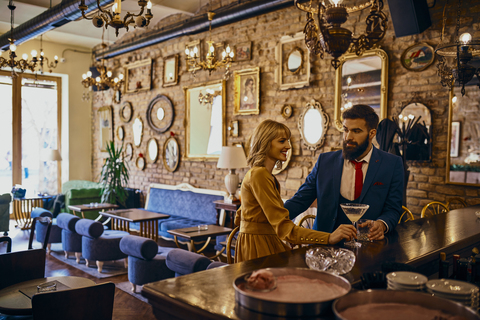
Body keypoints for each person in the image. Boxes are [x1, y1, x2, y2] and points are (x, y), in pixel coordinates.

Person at [234, 120, 357, 263]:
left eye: (287, 141)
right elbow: (283, 227)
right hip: (258, 246)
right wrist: (329, 237)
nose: (288, 146)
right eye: (282, 141)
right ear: (266, 143)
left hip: (262, 240)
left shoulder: (262, 175)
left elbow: (241, 215)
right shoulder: (259, 175)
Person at [285, 104, 404, 241]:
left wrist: (382, 224)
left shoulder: (391, 164)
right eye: (346, 130)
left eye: (356, 131)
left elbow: (393, 209)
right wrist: (270, 218)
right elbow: (300, 200)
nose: (348, 137)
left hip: (369, 246)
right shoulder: (325, 162)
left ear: (372, 133)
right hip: (325, 245)